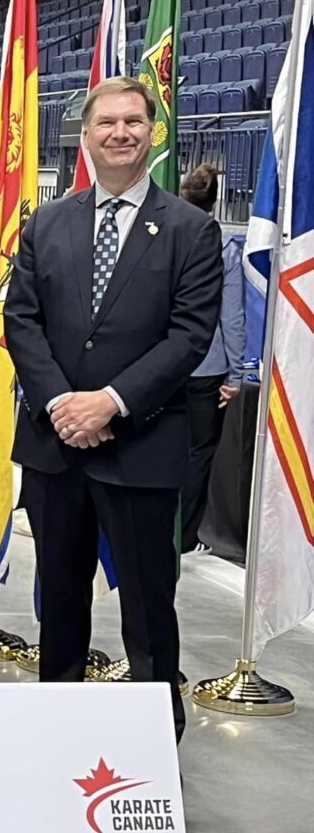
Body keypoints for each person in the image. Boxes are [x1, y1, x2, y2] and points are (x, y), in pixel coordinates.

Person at [5, 76, 222, 741]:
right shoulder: (47, 222)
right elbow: (22, 321)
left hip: (142, 447)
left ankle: (156, 738)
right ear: (86, 135)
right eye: (108, 122)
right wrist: (64, 405)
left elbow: (189, 335)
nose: (121, 133)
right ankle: (55, 729)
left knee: (150, 606)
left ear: (153, 132)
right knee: (60, 598)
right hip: (54, 444)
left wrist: (111, 404)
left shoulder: (190, 230)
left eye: (134, 121)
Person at [177, 163, 245, 554]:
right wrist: (235, 373)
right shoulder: (222, 248)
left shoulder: (164, 234)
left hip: (164, 363)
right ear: (215, 202)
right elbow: (231, 316)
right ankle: (185, 536)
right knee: (199, 451)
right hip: (208, 363)